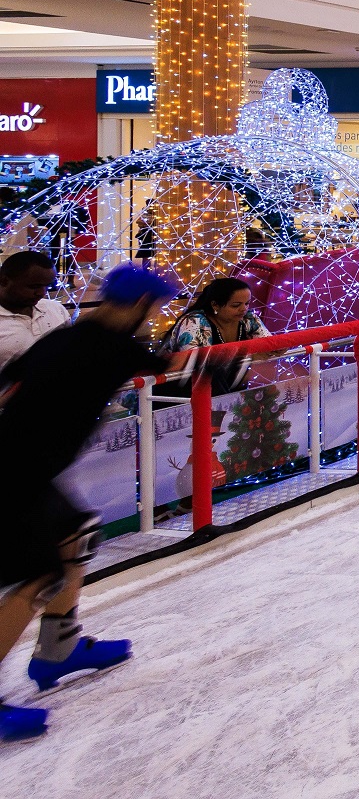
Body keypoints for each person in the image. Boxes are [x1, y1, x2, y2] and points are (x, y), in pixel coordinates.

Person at [0, 264, 248, 740]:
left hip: (26, 470)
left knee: (75, 534)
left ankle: (58, 648)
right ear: (138, 304)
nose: (153, 318)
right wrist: (227, 364)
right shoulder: (109, 346)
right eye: (153, 309)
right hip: (13, 476)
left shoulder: (67, 338)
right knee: (39, 575)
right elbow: (181, 367)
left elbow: (10, 382)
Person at [158, 276, 273, 377]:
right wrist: (250, 357)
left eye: (247, 303)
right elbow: (196, 362)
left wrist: (273, 350)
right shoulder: (194, 321)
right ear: (215, 305)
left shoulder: (248, 318)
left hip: (225, 385)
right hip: (178, 387)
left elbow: (269, 345)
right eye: (235, 305)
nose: (244, 309)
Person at [0, 250, 65, 374]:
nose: (42, 293)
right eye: (34, 286)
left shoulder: (56, 309)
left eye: (47, 286)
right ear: (4, 281)